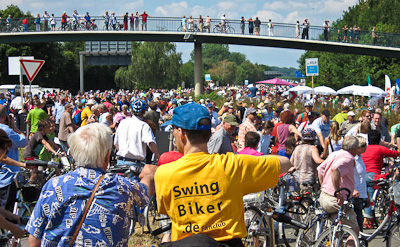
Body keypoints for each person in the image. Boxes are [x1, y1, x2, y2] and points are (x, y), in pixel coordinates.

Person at [155, 103, 291, 244]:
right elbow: (285, 163)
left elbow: (166, 210)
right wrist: (252, 159)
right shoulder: (233, 165)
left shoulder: (164, 174)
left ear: (181, 133)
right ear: (209, 133)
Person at [26, 123, 156, 246]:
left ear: (73, 155)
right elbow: (145, 190)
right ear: (106, 156)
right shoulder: (121, 186)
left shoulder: (53, 186)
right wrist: (150, 174)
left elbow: (34, 238)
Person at [317, 136, 360, 236]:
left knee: (337, 231)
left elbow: (320, 169)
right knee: (354, 230)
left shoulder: (334, 154)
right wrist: (337, 192)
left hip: (324, 197)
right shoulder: (348, 158)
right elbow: (335, 169)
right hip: (335, 200)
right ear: (354, 148)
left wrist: (324, 186)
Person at [362, 130, 399, 227]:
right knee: (371, 192)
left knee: (364, 194)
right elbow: (394, 154)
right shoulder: (380, 149)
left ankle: (365, 217)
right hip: (374, 175)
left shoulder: (364, 148)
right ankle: (368, 218)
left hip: (362, 175)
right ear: (378, 139)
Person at [114, 99, 160, 170]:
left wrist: (124, 152)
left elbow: (116, 143)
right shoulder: (144, 126)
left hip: (120, 162)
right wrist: (158, 157)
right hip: (135, 164)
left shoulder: (122, 123)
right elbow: (151, 143)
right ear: (144, 112)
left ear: (131, 111)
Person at [0, 105, 26, 212]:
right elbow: (23, 141)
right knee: (8, 211)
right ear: (5, 116)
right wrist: (14, 127)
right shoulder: (6, 131)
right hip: (7, 177)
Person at [290, 128, 324, 193]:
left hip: (296, 181)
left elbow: (291, 163)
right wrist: (328, 161)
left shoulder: (297, 148)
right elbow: (318, 161)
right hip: (308, 181)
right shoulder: (313, 148)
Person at [353, 136, 369, 231]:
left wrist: (366, 195)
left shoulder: (360, 158)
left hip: (361, 193)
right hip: (355, 194)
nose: (365, 147)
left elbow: (362, 177)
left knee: (359, 218)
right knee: (358, 221)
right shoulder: (353, 159)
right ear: (357, 147)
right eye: (363, 145)